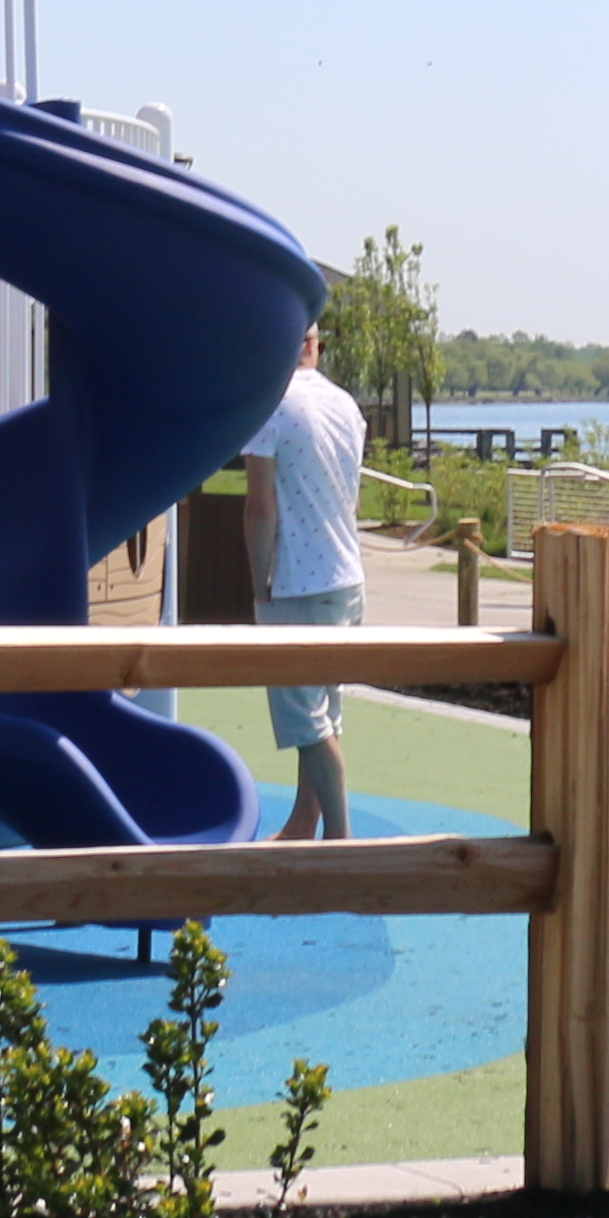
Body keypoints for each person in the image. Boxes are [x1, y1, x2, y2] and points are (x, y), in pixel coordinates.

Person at [243, 320, 369, 842]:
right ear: (314, 344)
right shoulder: (347, 406)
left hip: (297, 582)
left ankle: (339, 841)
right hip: (347, 578)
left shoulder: (269, 405)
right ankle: (304, 821)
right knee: (325, 713)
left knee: (308, 723)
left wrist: (258, 581)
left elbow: (260, 507)